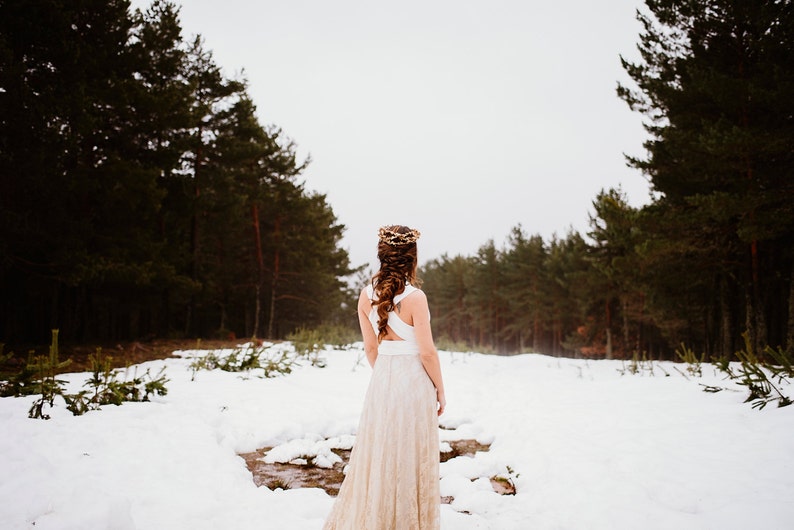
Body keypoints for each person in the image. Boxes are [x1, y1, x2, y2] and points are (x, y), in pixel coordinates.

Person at [323, 225, 446, 530]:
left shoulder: (366, 296)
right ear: (411, 258)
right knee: (409, 456)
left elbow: (370, 348)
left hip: (382, 381)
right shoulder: (416, 298)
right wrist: (440, 390)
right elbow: (428, 353)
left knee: (381, 454)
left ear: (383, 256)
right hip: (414, 383)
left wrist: (386, 377)